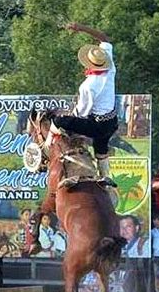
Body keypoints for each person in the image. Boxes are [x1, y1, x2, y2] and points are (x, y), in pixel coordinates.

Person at [47, 22, 118, 184]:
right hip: (111, 121)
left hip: (97, 125)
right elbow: (104, 38)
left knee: (59, 122)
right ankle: (105, 175)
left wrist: (68, 117)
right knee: (101, 147)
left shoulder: (88, 85)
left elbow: (82, 112)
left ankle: (46, 149)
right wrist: (81, 28)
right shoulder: (110, 68)